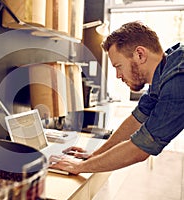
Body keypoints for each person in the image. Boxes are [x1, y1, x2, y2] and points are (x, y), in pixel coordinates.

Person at [49, 21, 184, 174]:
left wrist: (79, 167)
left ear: (140, 54)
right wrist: (95, 155)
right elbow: (137, 119)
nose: (118, 75)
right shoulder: (165, 68)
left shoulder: (177, 78)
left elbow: (141, 147)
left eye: (118, 66)